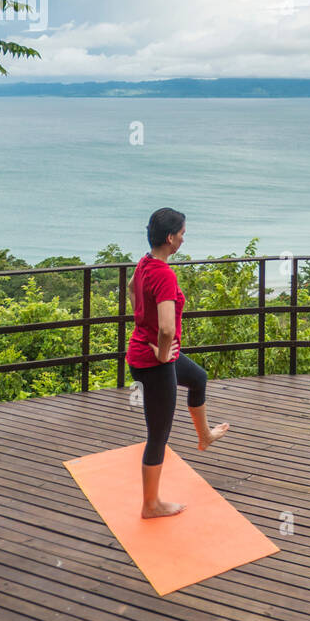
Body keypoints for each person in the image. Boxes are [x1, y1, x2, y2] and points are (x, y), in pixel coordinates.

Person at [126, 208, 229, 518]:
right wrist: (160, 351)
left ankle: (204, 436)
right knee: (158, 435)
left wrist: (144, 323)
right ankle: (150, 505)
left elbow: (131, 290)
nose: (184, 239)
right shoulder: (164, 274)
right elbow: (168, 327)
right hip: (153, 362)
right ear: (170, 239)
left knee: (197, 376)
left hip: (149, 353)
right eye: (182, 234)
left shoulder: (145, 262)